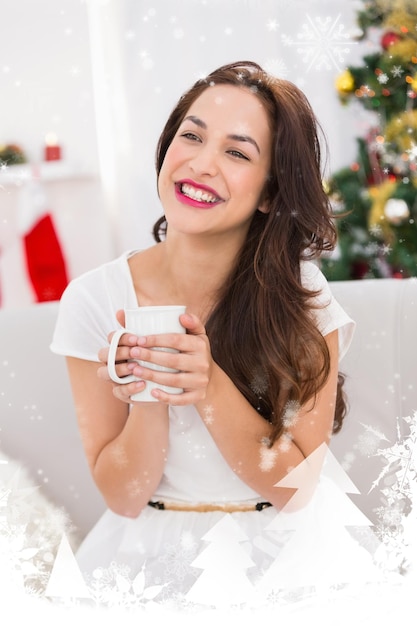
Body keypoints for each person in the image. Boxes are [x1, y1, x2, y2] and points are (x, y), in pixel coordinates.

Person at [50, 61, 358, 606]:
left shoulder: (302, 297)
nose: (201, 162)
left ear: (269, 193)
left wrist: (208, 383)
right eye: (191, 136)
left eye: (237, 153)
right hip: (143, 554)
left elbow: (297, 489)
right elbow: (124, 498)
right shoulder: (95, 301)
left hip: (286, 559)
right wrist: (151, 392)